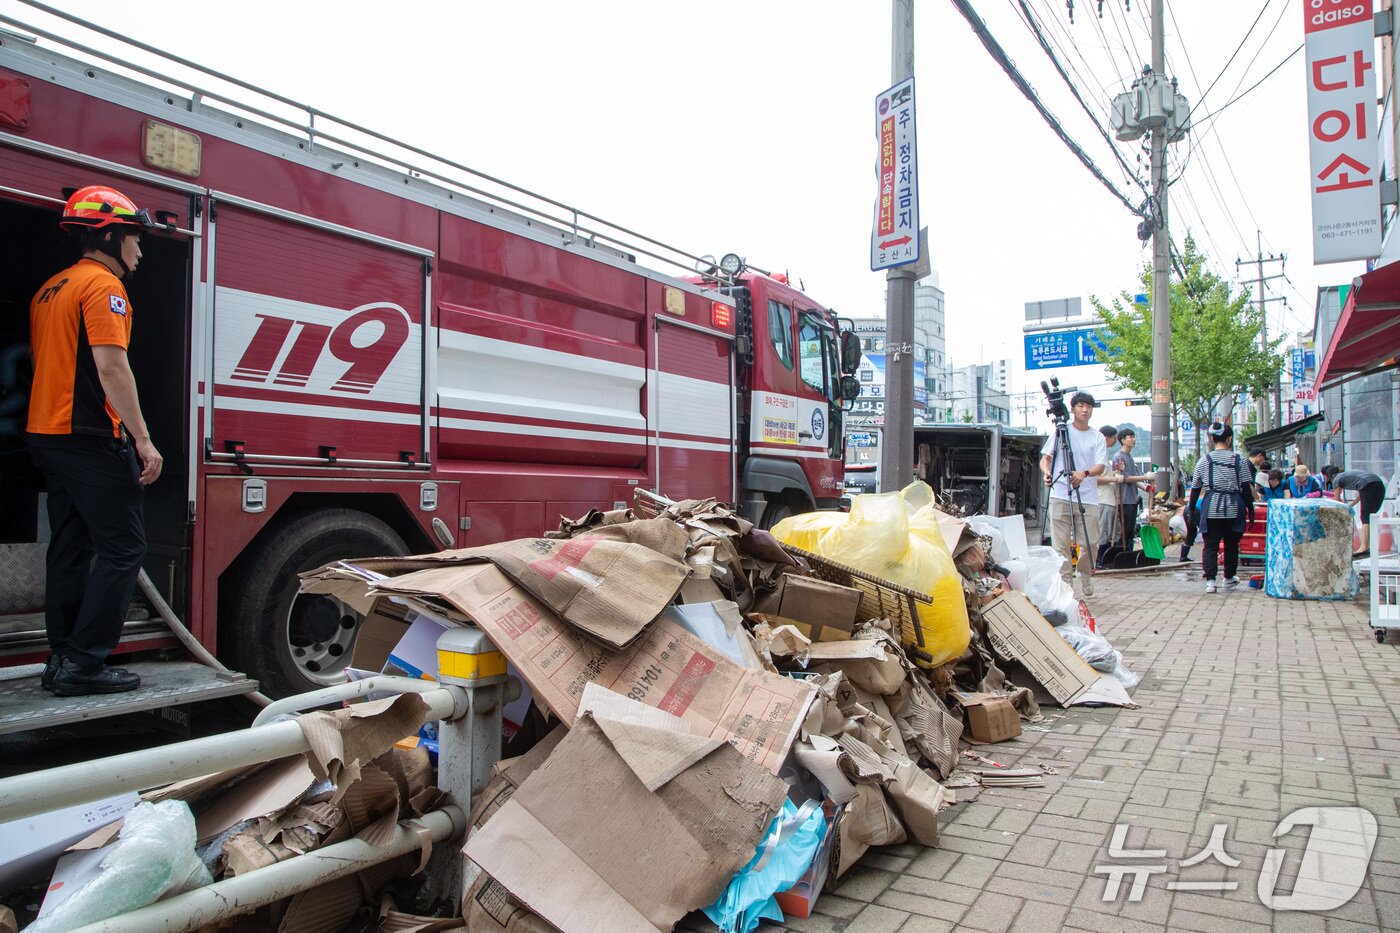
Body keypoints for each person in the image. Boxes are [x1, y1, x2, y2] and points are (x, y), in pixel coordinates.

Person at [26, 185, 163, 697]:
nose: (140, 250)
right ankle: (85, 663)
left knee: (69, 545)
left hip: (47, 435)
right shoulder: (104, 288)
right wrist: (143, 439)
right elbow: (111, 367)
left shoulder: (50, 288)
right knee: (124, 548)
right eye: (134, 237)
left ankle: (61, 656)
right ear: (109, 236)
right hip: (87, 436)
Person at [1040, 391, 1107, 596]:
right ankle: (1066, 586)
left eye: (1088, 406)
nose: (1084, 410)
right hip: (1060, 494)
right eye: (1080, 406)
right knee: (1060, 546)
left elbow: (1101, 466)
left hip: (1088, 497)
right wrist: (1047, 473)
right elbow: (1045, 458)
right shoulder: (1061, 432)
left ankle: (1084, 573)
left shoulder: (1097, 436)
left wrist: (1084, 473)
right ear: (1073, 409)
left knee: (1091, 542)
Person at [1189, 422, 1255, 593]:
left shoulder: (1204, 461)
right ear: (1229, 439)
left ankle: (1210, 582)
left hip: (1211, 507)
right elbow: (1246, 488)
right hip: (1234, 507)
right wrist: (1251, 509)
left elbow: (1195, 488)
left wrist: (1191, 509)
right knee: (1232, 545)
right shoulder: (1240, 460)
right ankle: (1228, 577)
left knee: (1210, 545)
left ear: (1212, 439)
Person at [1324, 466, 1386, 557]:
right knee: (1370, 516)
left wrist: (1341, 512)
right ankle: (1367, 546)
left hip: (1368, 486)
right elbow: (1362, 494)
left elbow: (1337, 501)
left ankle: (1364, 547)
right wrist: (1350, 505)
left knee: (1365, 516)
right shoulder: (1348, 475)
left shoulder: (1336, 480)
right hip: (1379, 485)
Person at [1109, 428, 1150, 551]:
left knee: (1130, 532)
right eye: (1130, 437)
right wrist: (1145, 477)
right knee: (1124, 531)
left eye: (1133, 436)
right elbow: (1126, 478)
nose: (1133, 439)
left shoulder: (1129, 457)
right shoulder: (1119, 457)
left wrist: (1145, 486)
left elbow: (1134, 478)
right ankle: (1121, 555)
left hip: (1132, 499)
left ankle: (1129, 554)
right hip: (1124, 500)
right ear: (1123, 440)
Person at [1094, 424, 1119, 569]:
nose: (1115, 441)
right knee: (1102, 532)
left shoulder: (1105, 454)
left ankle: (1103, 560)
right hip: (1103, 499)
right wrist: (1114, 479)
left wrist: (1114, 474)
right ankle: (1098, 561)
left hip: (1109, 499)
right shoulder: (1098, 455)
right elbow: (1094, 479)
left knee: (1108, 532)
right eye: (1114, 438)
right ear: (1106, 438)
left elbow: (1106, 475)